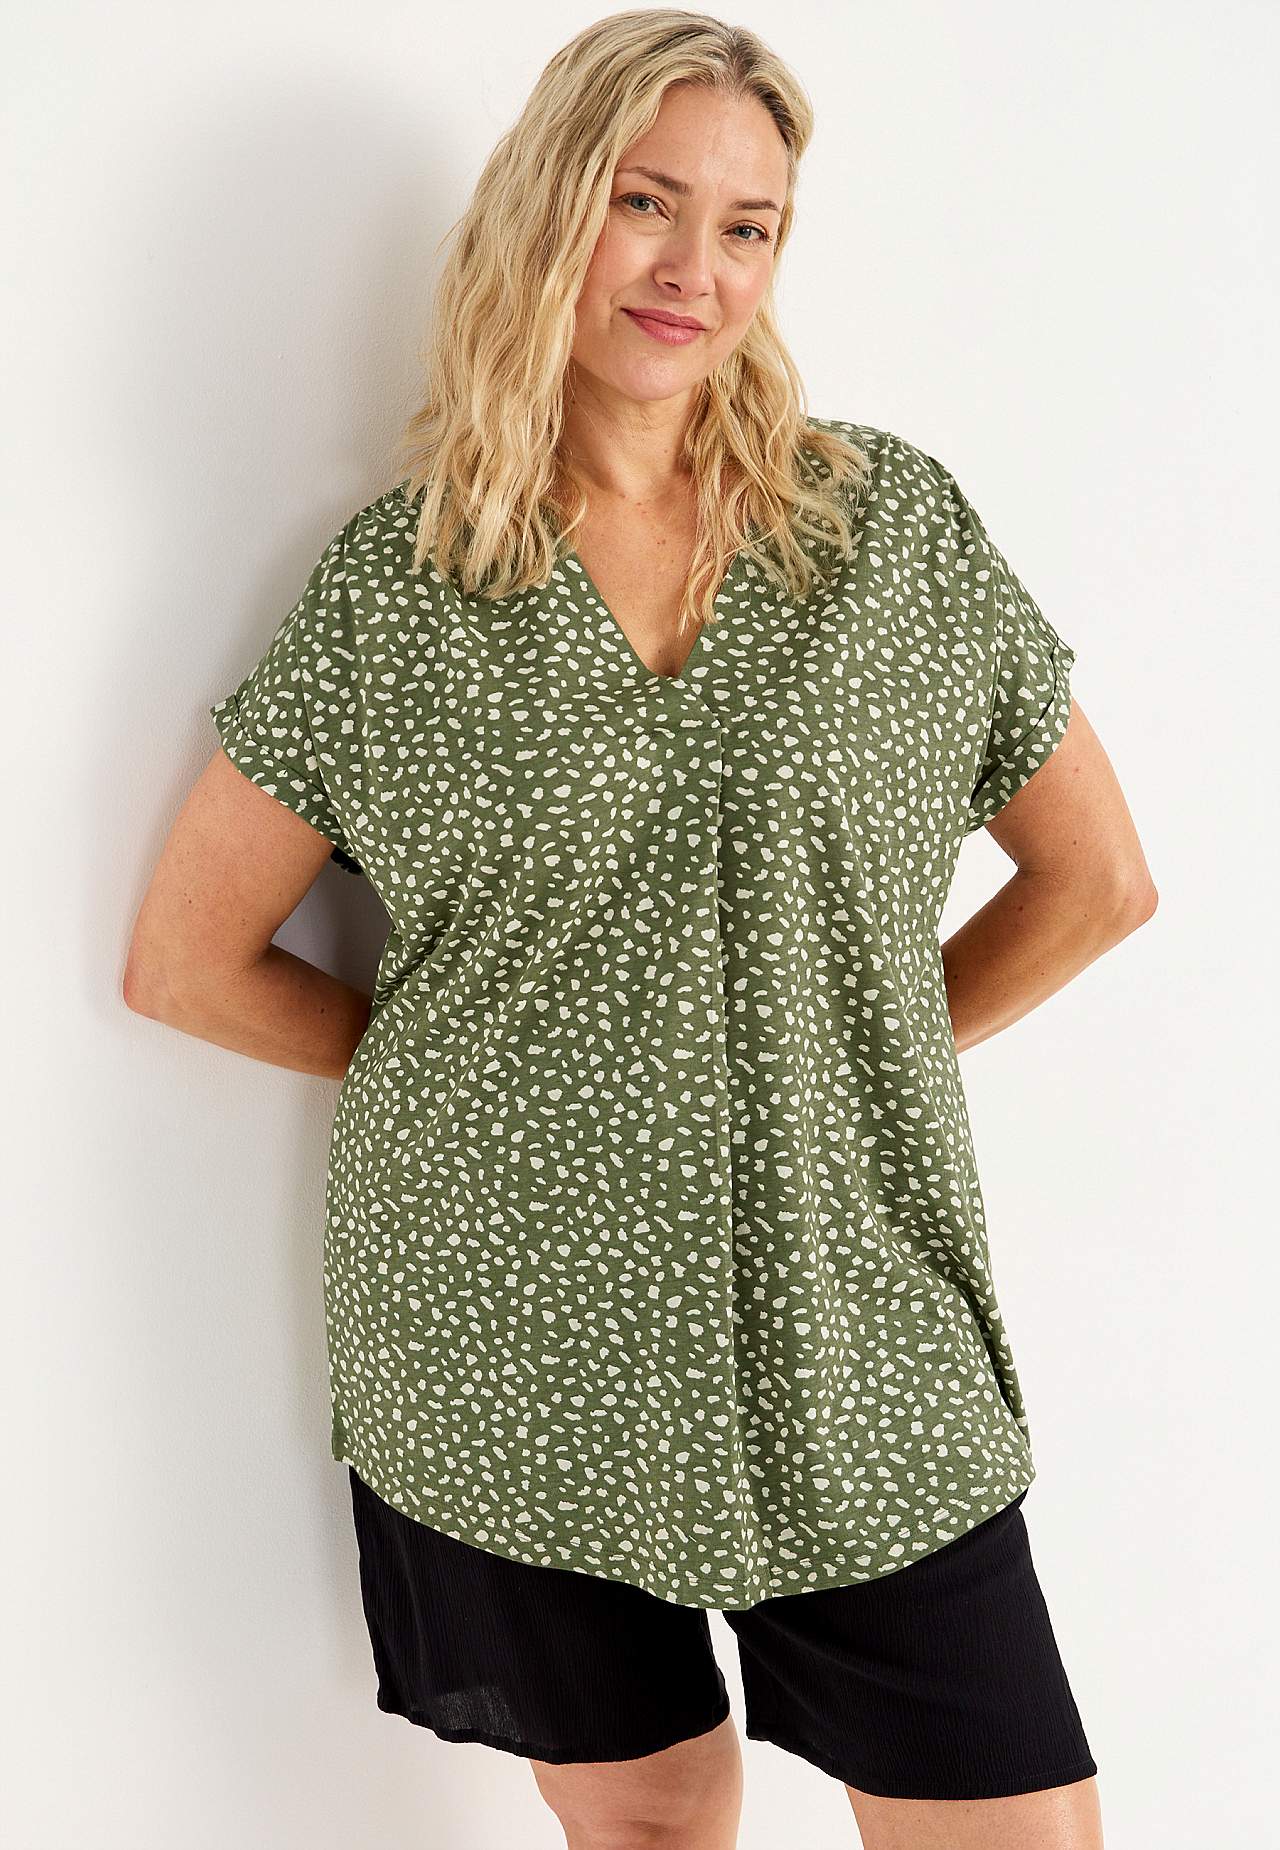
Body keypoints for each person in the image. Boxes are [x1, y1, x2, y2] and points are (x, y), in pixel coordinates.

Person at [125, 12, 1155, 1848]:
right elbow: (186, 959)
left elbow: (1098, 880)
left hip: (853, 1335)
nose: (697, 268)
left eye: (749, 226)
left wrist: (835, 1062)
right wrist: (501, 1089)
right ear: (550, 205)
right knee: (655, 1818)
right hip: (511, 1335)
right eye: (647, 201)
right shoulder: (406, 589)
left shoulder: (887, 536)